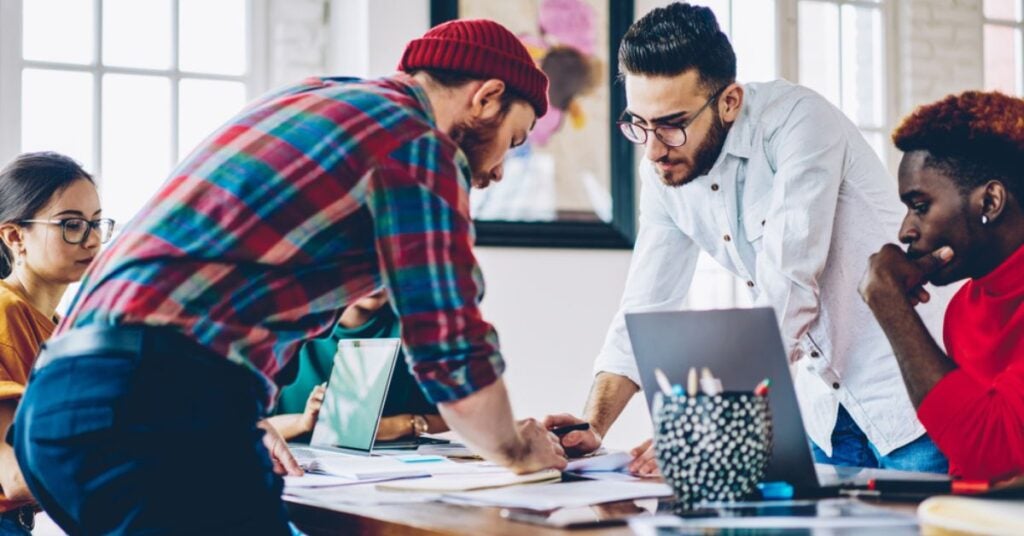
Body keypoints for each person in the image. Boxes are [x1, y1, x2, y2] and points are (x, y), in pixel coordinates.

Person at [14, 19, 566, 535]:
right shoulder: (418, 142)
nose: (495, 173)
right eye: (512, 144)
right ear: (487, 98)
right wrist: (518, 449)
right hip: (152, 407)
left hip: (59, 408)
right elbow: (451, 348)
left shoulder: (315, 96)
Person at [544, 2, 950, 476]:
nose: (653, 149)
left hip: (908, 404)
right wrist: (593, 424)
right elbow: (644, 304)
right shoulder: (663, 169)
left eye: (673, 125)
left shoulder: (800, 122)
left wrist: (708, 422)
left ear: (729, 101)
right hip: (825, 415)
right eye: (639, 124)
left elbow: (790, 284)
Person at [860, 91, 1024, 482]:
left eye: (919, 205)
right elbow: (967, 471)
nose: (905, 231)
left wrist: (892, 308)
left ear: (990, 201)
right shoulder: (964, 309)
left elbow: (995, 454)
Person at [0, 152, 111, 535]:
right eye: (71, 225)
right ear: (15, 236)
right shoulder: (4, 313)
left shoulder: (61, 330)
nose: (92, 239)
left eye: (96, 224)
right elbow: (14, 476)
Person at [270, 289, 448, 441]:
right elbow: (248, 425)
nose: (373, 281)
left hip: (395, 468)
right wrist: (303, 423)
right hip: (301, 469)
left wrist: (397, 425)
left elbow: (461, 415)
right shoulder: (287, 327)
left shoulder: (421, 326)